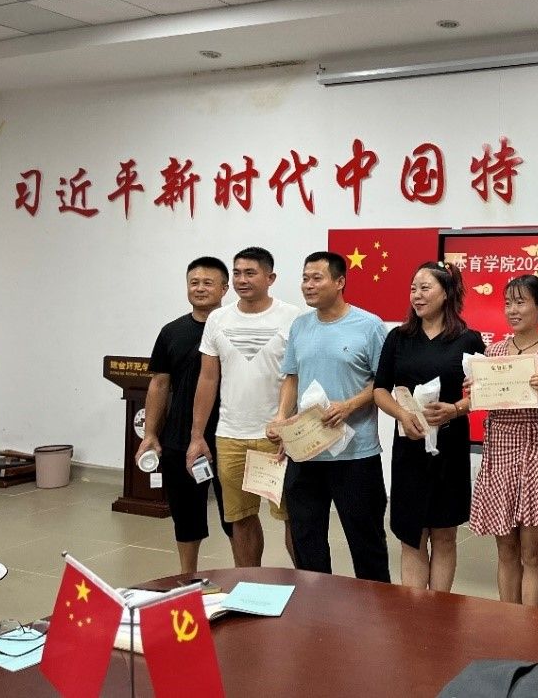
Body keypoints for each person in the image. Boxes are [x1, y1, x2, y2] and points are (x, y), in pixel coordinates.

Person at [267, 252, 390, 582]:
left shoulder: (369, 325)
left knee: (366, 541)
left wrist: (349, 405)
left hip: (355, 454)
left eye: (317, 278)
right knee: (307, 540)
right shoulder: (300, 326)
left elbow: (383, 382)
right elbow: (291, 377)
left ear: (339, 282)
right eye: (305, 278)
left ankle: (377, 605)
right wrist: (281, 417)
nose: (308, 285)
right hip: (306, 451)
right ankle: (317, 604)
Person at [373, 261, 484, 591]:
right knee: (412, 535)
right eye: (413, 289)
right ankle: (413, 610)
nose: (417, 296)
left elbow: (482, 392)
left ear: (446, 292)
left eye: (425, 288)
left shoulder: (467, 339)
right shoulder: (399, 338)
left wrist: (455, 409)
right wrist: (401, 414)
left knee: (444, 534)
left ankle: (439, 610)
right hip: (410, 446)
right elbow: (380, 390)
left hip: (449, 447)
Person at [187, 246, 300, 568]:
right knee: (240, 517)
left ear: (270, 278)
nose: (241, 280)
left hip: (277, 437)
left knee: (293, 517)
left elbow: (297, 375)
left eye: (250, 273)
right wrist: (197, 436)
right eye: (237, 273)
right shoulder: (218, 319)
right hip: (230, 436)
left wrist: (289, 424)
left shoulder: (292, 317)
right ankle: (249, 582)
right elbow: (208, 379)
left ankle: (306, 585)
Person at [469, 274, 538, 607]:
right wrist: (475, 390)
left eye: (520, 302)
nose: (512, 310)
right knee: (506, 551)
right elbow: (483, 402)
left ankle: (530, 625)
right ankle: (508, 622)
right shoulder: (493, 351)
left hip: (534, 454)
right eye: (508, 303)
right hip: (498, 453)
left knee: (533, 553)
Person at [135, 256, 233, 575]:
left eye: (208, 283)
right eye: (194, 282)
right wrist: (151, 433)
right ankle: (187, 577)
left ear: (224, 288)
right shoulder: (171, 332)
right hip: (180, 438)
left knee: (237, 516)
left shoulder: (235, 328)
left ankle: (246, 575)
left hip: (229, 434)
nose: (200, 288)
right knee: (186, 513)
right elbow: (159, 384)